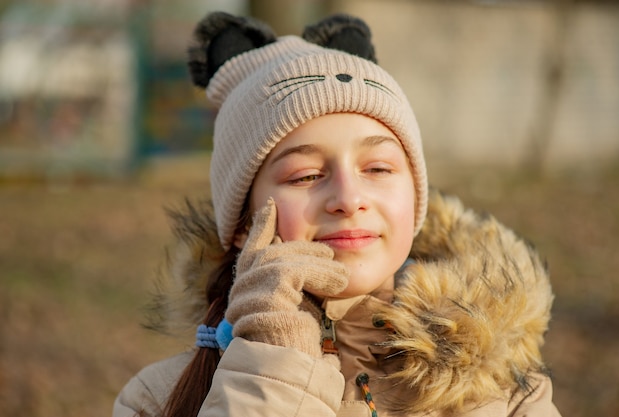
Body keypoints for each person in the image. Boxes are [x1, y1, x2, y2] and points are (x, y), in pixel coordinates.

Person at [113, 11, 561, 417]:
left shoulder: (507, 394)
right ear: (244, 225)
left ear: (414, 202)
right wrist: (273, 362)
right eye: (305, 175)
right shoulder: (159, 400)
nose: (348, 197)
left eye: (379, 168)